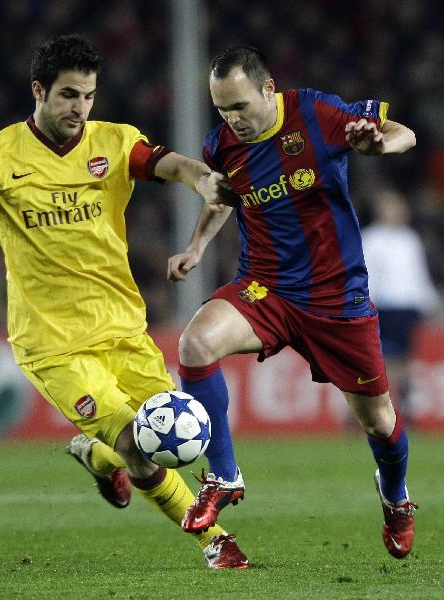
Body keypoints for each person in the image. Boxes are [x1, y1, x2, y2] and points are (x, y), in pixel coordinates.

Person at [0, 34, 249, 570]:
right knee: (140, 452)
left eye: (89, 96)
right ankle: (216, 542)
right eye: (69, 95)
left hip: (123, 330)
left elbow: (174, 166)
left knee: (170, 438)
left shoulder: (113, 142)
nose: (80, 108)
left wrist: (204, 181)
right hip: (53, 345)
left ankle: (93, 453)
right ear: (38, 90)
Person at [167, 45, 419, 559]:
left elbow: (403, 133)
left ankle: (395, 497)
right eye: (221, 109)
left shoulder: (313, 111)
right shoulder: (221, 147)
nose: (231, 119)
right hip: (267, 287)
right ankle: (224, 475)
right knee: (194, 344)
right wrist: (196, 246)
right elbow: (223, 199)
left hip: (337, 297)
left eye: (239, 106)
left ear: (267, 90)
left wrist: (376, 147)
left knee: (381, 424)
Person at [362, 187, 440, 420]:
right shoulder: (372, 238)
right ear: (380, 210)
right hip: (383, 305)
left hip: (407, 306)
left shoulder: (410, 238)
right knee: (383, 359)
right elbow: (366, 274)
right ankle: (374, 408)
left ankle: (403, 408)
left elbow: (418, 274)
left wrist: (429, 301)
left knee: (405, 359)